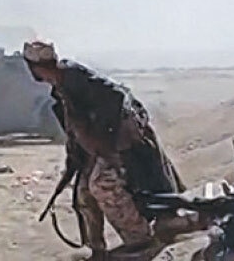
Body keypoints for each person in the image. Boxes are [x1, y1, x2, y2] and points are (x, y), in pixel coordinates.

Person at [23, 40, 186, 260]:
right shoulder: (60, 89)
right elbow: (75, 129)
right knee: (83, 193)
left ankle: (139, 240)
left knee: (103, 185)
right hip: (99, 149)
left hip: (122, 145)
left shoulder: (74, 76)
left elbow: (116, 97)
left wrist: (104, 140)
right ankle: (96, 249)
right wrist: (75, 160)